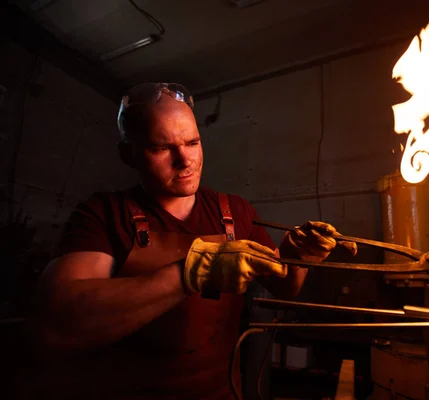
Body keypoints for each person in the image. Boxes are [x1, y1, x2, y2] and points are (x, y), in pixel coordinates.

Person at [30, 82, 357, 399]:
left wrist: (297, 256)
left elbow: (284, 285)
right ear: (127, 154)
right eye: (161, 148)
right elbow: (58, 321)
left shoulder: (235, 211)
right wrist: (192, 271)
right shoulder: (104, 214)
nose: (184, 160)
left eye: (192, 142)